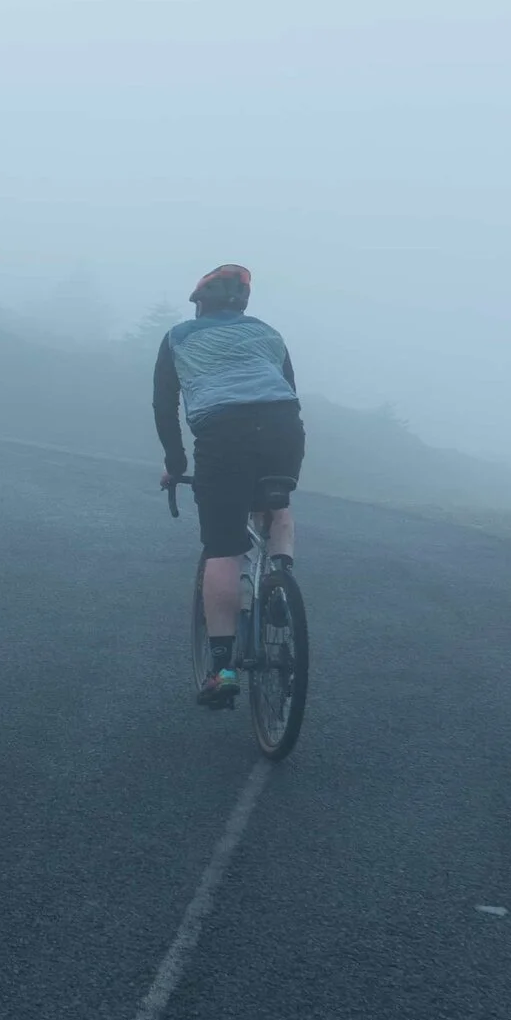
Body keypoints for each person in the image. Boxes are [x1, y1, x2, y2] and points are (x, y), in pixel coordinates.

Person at [153, 263, 302, 709]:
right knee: (275, 500)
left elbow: (165, 404)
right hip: (283, 430)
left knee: (223, 548)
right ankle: (280, 579)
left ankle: (222, 670)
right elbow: (287, 390)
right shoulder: (269, 333)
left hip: (223, 435)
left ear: (201, 304)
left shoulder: (179, 337)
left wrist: (175, 464)